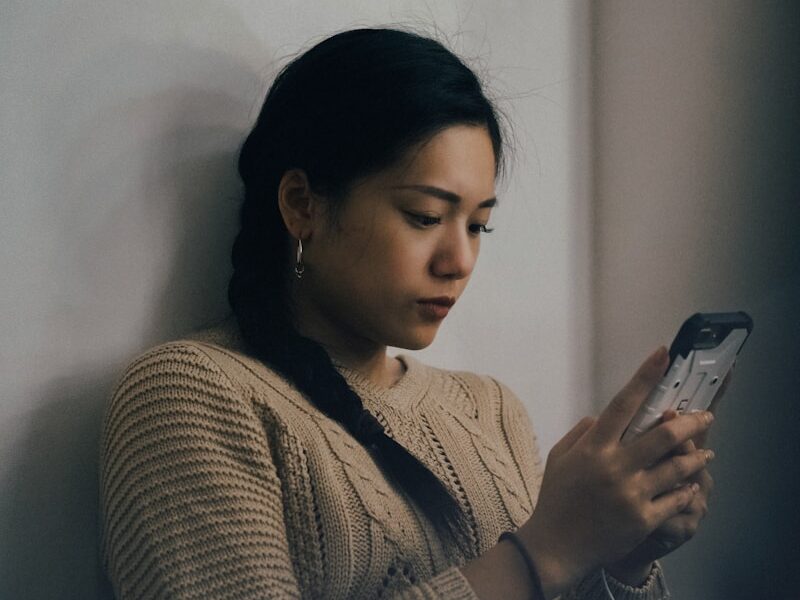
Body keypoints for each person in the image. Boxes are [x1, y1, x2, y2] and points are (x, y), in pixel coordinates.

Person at [99, 27, 720, 599]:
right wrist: (546, 550)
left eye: (478, 225)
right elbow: (541, 565)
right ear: (301, 205)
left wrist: (621, 560)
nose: (459, 260)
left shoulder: (491, 410)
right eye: (425, 216)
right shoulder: (190, 396)